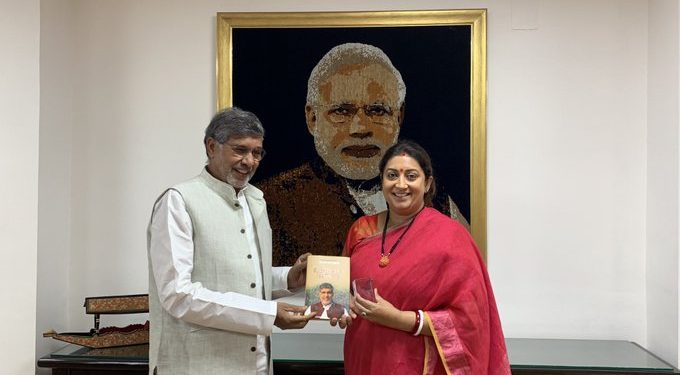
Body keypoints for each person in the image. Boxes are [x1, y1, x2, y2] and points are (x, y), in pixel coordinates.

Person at [258, 43, 468, 267]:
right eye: (342, 111)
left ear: (398, 117)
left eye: (377, 111)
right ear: (312, 119)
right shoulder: (269, 202)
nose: (360, 128)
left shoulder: (438, 203)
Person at [147, 107, 315, 375]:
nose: (249, 161)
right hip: (198, 365)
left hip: (257, 364)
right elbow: (178, 294)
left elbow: (241, 278)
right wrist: (267, 314)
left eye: (257, 152)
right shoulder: (178, 201)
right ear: (211, 147)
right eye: (240, 150)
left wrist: (288, 279)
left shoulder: (256, 201)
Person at [332, 140, 510, 374]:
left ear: (427, 184)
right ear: (382, 181)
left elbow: (469, 320)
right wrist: (340, 306)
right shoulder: (361, 230)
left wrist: (398, 318)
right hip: (363, 355)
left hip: (414, 363)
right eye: (392, 175)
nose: (401, 184)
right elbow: (339, 291)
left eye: (411, 176)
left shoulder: (451, 237)